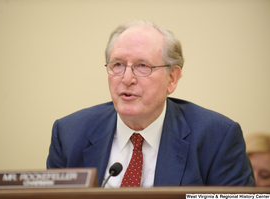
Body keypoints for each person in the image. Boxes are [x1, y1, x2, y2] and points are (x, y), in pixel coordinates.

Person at [47, 20, 255, 187]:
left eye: (142, 66)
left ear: (172, 78)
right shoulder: (69, 134)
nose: (127, 78)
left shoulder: (217, 138)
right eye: (118, 64)